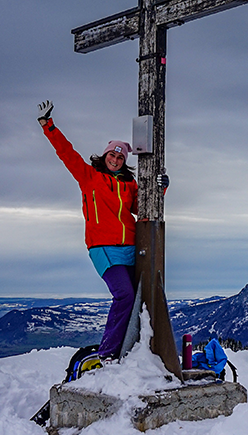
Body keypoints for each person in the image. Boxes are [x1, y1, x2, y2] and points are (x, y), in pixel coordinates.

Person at [36, 100, 167, 361]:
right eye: (112, 155)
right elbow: (67, 153)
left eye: (120, 157)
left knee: (140, 300)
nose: (116, 159)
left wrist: (161, 187)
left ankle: (131, 352)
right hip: (103, 248)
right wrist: (48, 125)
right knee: (124, 296)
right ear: (104, 156)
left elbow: (143, 207)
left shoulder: (128, 186)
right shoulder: (89, 177)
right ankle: (107, 354)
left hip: (131, 248)